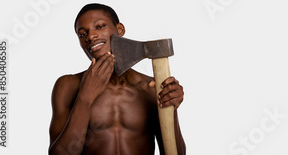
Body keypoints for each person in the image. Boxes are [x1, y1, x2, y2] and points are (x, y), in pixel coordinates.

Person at [48, 3, 186, 155]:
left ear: (120, 30)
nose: (90, 36)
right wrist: (85, 98)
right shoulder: (68, 85)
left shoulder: (152, 87)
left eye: (99, 26)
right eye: (82, 34)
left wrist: (171, 108)